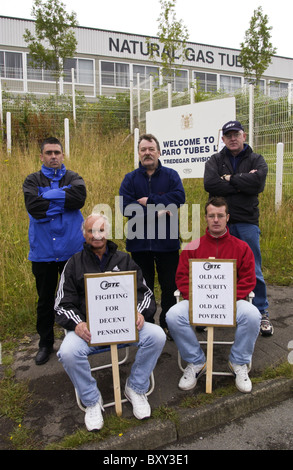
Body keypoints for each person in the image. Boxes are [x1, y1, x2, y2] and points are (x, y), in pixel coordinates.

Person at [55, 212, 166, 432]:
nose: (96, 235)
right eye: (91, 231)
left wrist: (139, 313)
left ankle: (135, 387)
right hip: (90, 332)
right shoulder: (74, 263)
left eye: (101, 230)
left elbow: (145, 294)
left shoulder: (124, 260)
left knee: (157, 336)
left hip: (124, 327)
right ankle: (91, 400)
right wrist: (78, 324)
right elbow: (61, 304)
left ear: (107, 232)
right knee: (67, 352)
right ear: (84, 234)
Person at [166, 197, 261, 394]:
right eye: (211, 216)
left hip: (231, 303)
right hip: (199, 303)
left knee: (253, 315)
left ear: (227, 217)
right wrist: (197, 299)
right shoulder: (192, 247)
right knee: (173, 315)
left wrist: (229, 299)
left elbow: (248, 280)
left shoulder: (242, 248)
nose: (216, 220)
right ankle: (196, 361)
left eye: (220, 216)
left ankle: (238, 362)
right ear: (206, 218)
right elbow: (182, 278)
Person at [203, 120, 273, 336]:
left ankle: (261, 312)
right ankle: (217, 310)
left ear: (244, 136)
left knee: (254, 269)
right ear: (223, 139)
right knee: (217, 268)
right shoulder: (215, 160)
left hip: (246, 222)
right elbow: (211, 184)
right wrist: (243, 183)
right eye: (228, 135)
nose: (233, 138)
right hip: (221, 224)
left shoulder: (256, 159)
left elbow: (258, 184)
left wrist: (230, 179)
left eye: (237, 134)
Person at [23, 137, 86, 365]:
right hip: (43, 253)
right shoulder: (32, 180)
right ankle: (45, 344)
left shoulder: (74, 177)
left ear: (62, 155)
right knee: (45, 300)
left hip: (72, 251)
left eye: (57, 152)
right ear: (41, 156)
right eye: (48, 153)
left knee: (77, 298)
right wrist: (63, 201)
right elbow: (34, 208)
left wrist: (47, 198)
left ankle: (79, 338)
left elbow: (78, 199)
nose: (53, 157)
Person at [119, 133, 185, 338]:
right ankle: (146, 324)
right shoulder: (130, 179)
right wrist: (158, 210)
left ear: (159, 152)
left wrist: (150, 200)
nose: (147, 153)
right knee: (143, 288)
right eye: (143, 149)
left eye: (151, 149)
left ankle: (168, 323)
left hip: (167, 244)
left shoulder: (171, 175)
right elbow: (126, 208)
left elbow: (178, 198)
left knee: (169, 286)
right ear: (139, 153)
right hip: (139, 245)